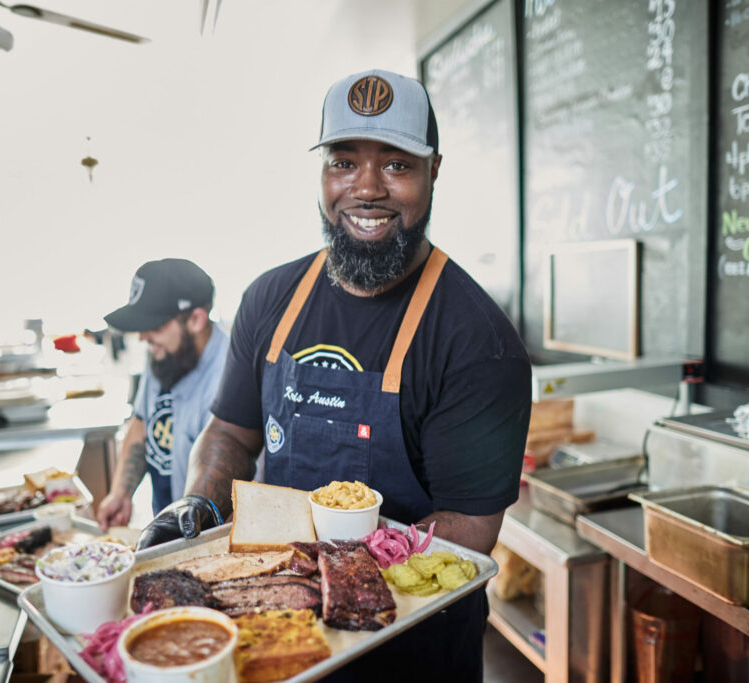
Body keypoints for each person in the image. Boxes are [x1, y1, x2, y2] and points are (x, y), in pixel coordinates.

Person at [138, 69, 532, 679]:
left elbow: (469, 527)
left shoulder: (477, 340)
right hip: (279, 634)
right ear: (322, 171)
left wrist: (331, 582)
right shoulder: (270, 298)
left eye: (398, 165)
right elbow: (231, 435)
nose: (367, 188)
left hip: (414, 649)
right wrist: (198, 505)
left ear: (434, 173)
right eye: (344, 161)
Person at [95, 258, 228, 530]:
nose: (143, 337)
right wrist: (120, 493)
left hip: (201, 535)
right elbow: (143, 421)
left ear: (196, 319)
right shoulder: (165, 353)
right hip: (165, 524)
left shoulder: (228, 376)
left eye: (154, 325)